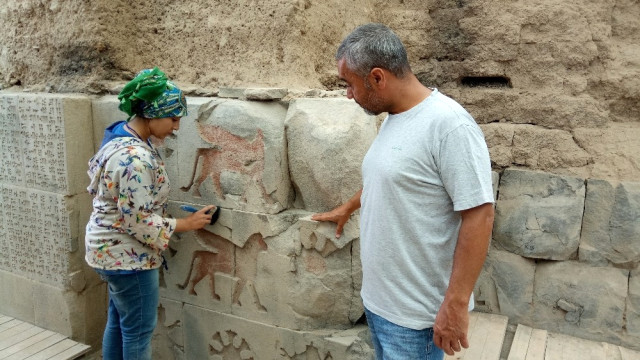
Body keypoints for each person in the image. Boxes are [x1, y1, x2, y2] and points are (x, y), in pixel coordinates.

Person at [312, 24, 494, 359]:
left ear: (378, 77)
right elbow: (391, 179)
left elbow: (479, 215)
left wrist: (455, 306)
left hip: (416, 320)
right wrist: (349, 207)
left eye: (350, 84)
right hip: (382, 306)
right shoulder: (396, 116)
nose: (348, 95)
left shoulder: (450, 125)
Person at [85, 67, 217, 360]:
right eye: (172, 119)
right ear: (152, 114)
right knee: (138, 332)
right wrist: (186, 223)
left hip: (106, 251)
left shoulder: (119, 137)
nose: (176, 127)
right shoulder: (136, 159)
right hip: (127, 258)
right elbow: (137, 220)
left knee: (120, 324)